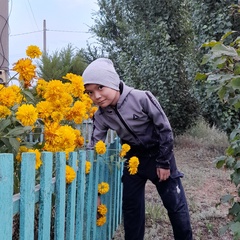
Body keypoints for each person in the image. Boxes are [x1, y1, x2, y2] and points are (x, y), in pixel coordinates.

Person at [82, 58, 193, 240]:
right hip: (133, 158)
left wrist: (164, 162)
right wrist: (95, 192)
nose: (96, 96)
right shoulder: (101, 115)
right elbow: (94, 149)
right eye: (90, 92)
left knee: (175, 204)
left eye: (100, 88)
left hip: (159, 154)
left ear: (112, 82)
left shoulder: (141, 98)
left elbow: (165, 129)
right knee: (131, 208)